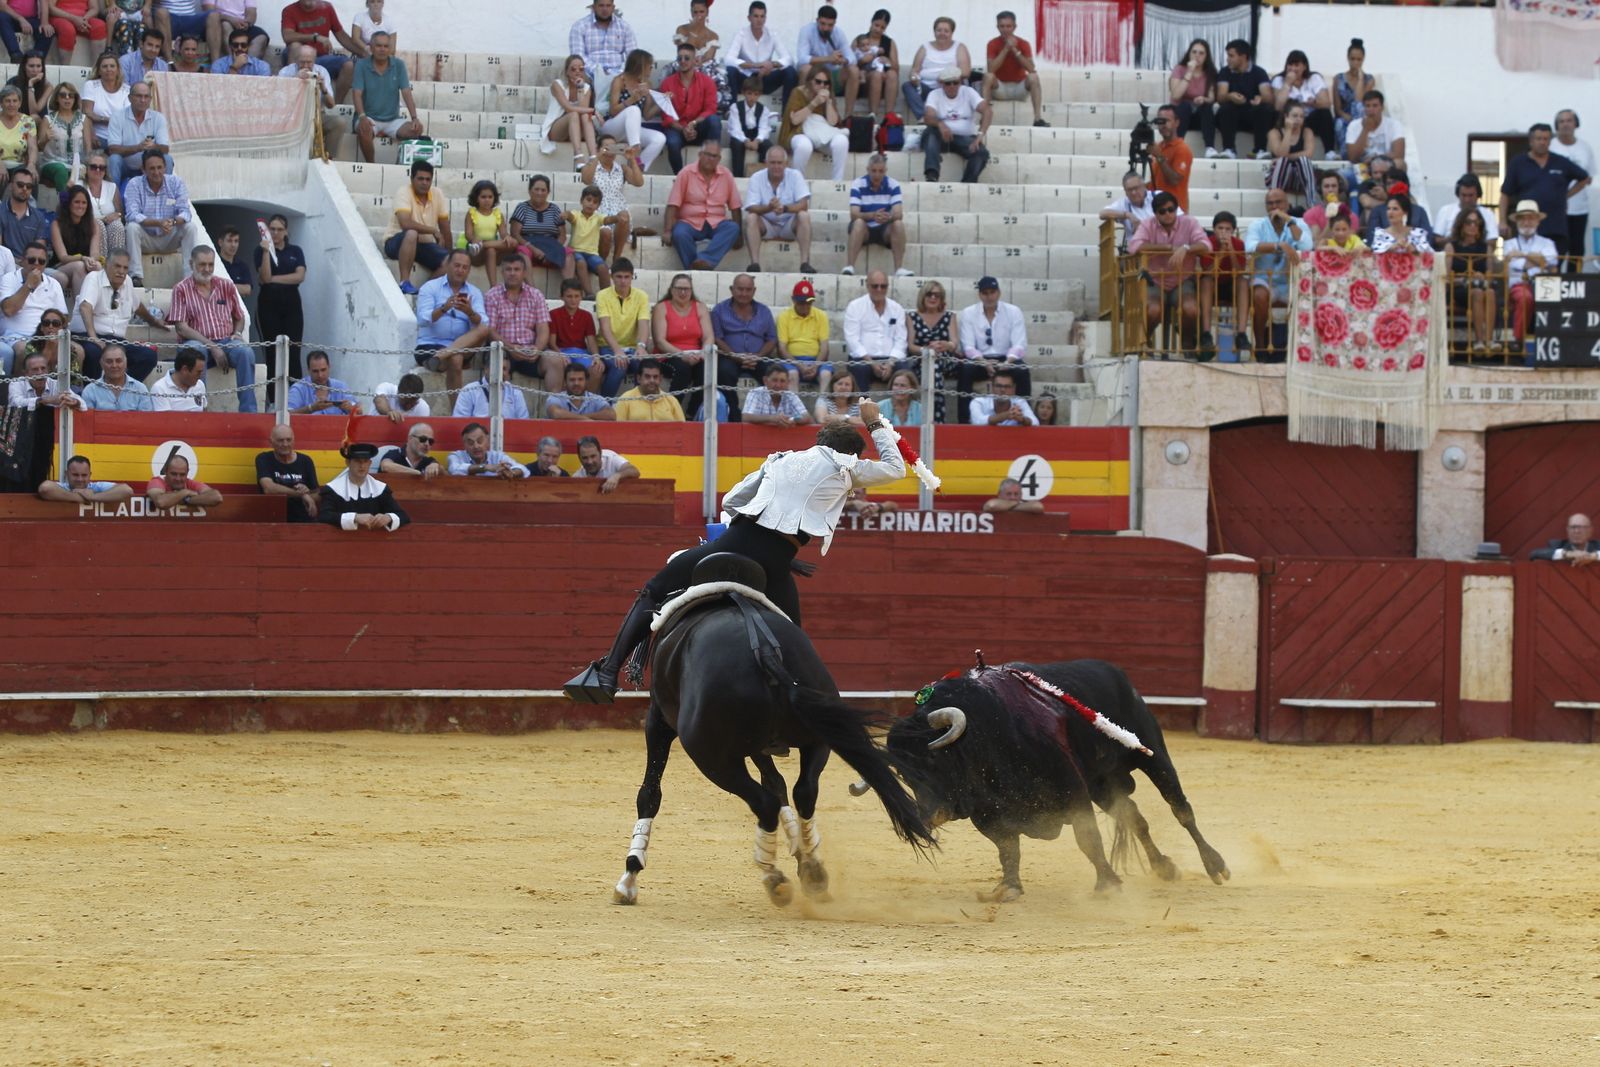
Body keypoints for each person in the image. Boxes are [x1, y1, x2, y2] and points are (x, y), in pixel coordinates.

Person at [567, 396, 908, 702]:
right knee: (794, 644)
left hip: (735, 540)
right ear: (853, 454)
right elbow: (895, 467)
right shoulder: (846, 466)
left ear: (818, 441)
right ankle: (794, 711)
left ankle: (609, 672)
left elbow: (732, 500)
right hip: (776, 561)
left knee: (654, 591)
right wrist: (875, 421)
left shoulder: (779, 459)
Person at [168, 244, 255, 410]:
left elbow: (240, 316)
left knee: (245, 352)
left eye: (211, 264)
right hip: (195, 343)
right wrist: (212, 346)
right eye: (202, 264)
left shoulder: (226, 285)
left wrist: (237, 332)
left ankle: (248, 411)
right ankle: (200, 408)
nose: (207, 269)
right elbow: (181, 328)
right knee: (196, 351)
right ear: (191, 263)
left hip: (226, 341)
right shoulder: (181, 289)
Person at [1128, 191, 1211, 354]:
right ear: (1155, 214)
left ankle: (1187, 341)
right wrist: (1167, 248)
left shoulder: (1189, 222)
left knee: (1191, 309)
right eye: (1162, 211)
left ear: (1176, 208)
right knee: (1152, 310)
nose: (1167, 214)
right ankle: (1146, 339)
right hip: (1154, 281)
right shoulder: (1147, 224)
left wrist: (1186, 248)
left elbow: (1206, 245)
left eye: (1171, 209)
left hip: (1182, 280)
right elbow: (1134, 247)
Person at [1499, 122, 1590, 261]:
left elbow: (1585, 179)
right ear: (1531, 141)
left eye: (1546, 139)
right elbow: (1505, 193)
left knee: (1553, 268)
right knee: (1524, 266)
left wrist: (1565, 195)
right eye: (1539, 138)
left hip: (1556, 227)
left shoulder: (1561, 162)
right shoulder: (1518, 163)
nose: (1542, 142)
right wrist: (1502, 221)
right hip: (1527, 228)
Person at [1244, 187, 1313, 359]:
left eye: (1278, 202)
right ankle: (1260, 346)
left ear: (1287, 204)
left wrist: (1289, 221)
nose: (1274, 207)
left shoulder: (1299, 223)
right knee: (1259, 296)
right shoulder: (1257, 225)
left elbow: (1307, 247)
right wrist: (1278, 246)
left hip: (1291, 282)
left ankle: (1297, 350)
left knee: (1308, 297)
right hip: (1264, 280)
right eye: (1270, 203)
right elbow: (1250, 247)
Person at [76, 249, 162, 384]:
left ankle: (121, 390)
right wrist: (93, 337)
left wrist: (154, 321)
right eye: (117, 266)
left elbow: (137, 306)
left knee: (148, 356)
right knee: (93, 352)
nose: (121, 271)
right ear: (106, 266)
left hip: (116, 341)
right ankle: (92, 395)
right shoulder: (94, 277)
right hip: (87, 336)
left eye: (125, 267)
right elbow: (85, 306)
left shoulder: (127, 281)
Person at [413, 248, 489, 401]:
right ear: (447, 265)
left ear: (469, 270)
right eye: (457, 265)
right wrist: (443, 308)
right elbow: (423, 319)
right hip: (430, 345)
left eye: (464, 267)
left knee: (484, 327)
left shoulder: (474, 292)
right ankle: (457, 414)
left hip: (457, 348)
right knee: (456, 358)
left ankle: (442, 355)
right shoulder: (430, 287)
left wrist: (470, 312)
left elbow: (482, 322)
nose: (460, 270)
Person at [956, 276, 1032, 422]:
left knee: (1022, 370)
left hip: (1007, 358)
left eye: (992, 292)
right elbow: (968, 346)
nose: (989, 296)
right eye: (985, 293)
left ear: (998, 293)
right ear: (979, 295)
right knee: (965, 370)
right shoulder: (969, 313)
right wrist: (983, 362)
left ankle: (1023, 417)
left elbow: (1019, 344)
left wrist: (1008, 362)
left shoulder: (1013, 311)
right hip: (980, 359)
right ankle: (964, 422)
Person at [664, 140, 742, 271]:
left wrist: (739, 236)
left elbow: (735, 206)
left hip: (716, 223)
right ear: (700, 155)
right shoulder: (686, 173)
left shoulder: (726, 175)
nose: (710, 159)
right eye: (707, 155)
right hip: (689, 222)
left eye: (714, 156)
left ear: (719, 159)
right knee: (679, 234)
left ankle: (704, 260)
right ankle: (696, 267)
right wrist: (667, 231)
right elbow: (673, 204)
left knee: (733, 228)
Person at [486, 253, 557, 392]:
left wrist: (538, 348)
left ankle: (555, 406)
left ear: (524, 272)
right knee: (498, 365)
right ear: (502, 272)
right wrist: (511, 348)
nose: (512, 273)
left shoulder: (536, 295)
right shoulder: (492, 295)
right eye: (508, 269)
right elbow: (490, 330)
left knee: (555, 361)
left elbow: (543, 328)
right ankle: (498, 411)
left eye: (517, 269)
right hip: (503, 350)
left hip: (531, 351)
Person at [710, 271, 776, 419]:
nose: (744, 293)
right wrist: (735, 356)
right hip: (729, 356)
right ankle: (733, 414)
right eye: (740, 289)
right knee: (724, 372)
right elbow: (717, 338)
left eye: (748, 290)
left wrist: (757, 357)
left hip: (758, 358)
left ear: (754, 291)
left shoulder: (764, 311)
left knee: (774, 373)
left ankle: (770, 413)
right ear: (731, 289)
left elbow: (771, 339)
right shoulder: (719, 310)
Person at [351, 30, 421, 164]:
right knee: (363, 129)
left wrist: (414, 118)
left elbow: (406, 92)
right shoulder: (361, 65)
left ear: (390, 48)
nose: (382, 49)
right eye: (378, 46)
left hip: (392, 120)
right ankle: (371, 165)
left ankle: (398, 165)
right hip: (369, 117)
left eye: (386, 46)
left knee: (417, 129)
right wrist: (362, 117)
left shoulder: (399, 65)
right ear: (371, 47)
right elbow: (357, 93)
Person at [743, 145, 814, 274]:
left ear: (786, 164)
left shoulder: (795, 175)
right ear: (766, 163)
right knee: (751, 217)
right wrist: (768, 208)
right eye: (772, 163)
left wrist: (785, 208)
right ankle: (754, 263)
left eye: (779, 163)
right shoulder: (756, 177)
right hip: (766, 224)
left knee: (804, 216)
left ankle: (805, 263)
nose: (776, 166)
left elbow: (804, 205)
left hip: (789, 224)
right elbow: (751, 207)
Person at [123, 151, 188, 286]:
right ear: (143, 169)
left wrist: (173, 221)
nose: (156, 172)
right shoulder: (134, 184)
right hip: (146, 238)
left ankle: (190, 276)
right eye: (152, 168)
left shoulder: (176, 182)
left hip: (169, 235)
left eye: (159, 167)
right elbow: (131, 214)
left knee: (190, 227)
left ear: (165, 167)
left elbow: (185, 212)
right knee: (131, 227)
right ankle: (136, 276)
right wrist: (158, 223)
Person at [255, 212, 305, 387]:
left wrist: (274, 279)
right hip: (269, 304)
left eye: (279, 229)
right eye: (272, 229)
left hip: (292, 304)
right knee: (272, 352)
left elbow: (299, 276)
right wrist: (266, 251)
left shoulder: (295, 251)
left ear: (286, 231)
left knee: (294, 351)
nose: (275, 233)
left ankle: (295, 394)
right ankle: (273, 398)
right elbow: (265, 276)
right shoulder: (260, 251)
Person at [385, 159, 449, 295]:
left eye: (428, 179)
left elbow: (445, 228)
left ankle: (426, 290)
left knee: (452, 260)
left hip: (423, 245)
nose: (424, 183)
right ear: (412, 179)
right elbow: (405, 224)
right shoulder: (403, 192)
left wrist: (450, 252)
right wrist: (433, 231)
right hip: (396, 242)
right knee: (411, 233)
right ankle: (404, 282)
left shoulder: (437, 194)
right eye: (420, 179)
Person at [280, 0, 364, 103]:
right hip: (299, 60)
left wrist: (363, 53)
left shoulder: (327, 8)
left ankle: (335, 106)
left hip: (321, 58)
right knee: (294, 45)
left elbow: (341, 35)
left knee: (348, 65)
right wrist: (315, 37)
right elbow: (287, 36)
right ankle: (294, 101)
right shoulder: (289, 10)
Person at [0, 238, 64, 372]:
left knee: (78, 351)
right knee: (25, 350)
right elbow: (8, 310)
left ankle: (69, 391)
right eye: (31, 260)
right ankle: (19, 390)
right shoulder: (10, 278)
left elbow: (63, 317)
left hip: (46, 333)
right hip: (16, 336)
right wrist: (28, 285)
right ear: (22, 261)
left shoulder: (53, 283)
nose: (36, 265)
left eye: (41, 261)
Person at [658, 42, 721, 176]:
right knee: (673, 143)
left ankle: (710, 171)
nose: (683, 61)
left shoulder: (707, 82)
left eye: (687, 58)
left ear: (695, 61)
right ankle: (681, 178)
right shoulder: (667, 83)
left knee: (714, 121)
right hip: (677, 128)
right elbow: (666, 116)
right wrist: (683, 128)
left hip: (698, 127)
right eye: (679, 58)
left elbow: (711, 109)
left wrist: (693, 124)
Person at [1504, 200, 1559, 352]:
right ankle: (1518, 340)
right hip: (1519, 284)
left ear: (1537, 221)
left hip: (1544, 284)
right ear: (1517, 222)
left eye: (1531, 218)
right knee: (1524, 296)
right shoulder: (1509, 243)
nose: (1527, 222)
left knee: (1556, 298)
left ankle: (1551, 344)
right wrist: (1537, 260)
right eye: (1523, 218)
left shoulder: (1547, 242)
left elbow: (1550, 261)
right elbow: (1516, 264)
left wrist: (1522, 254)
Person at [599, 48, 665, 173]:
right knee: (633, 109)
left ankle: (637, 169)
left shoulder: (647, 84)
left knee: (660, 138)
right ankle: (635, 149)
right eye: (649, 66)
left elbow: (647, 115)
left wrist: (663, 101)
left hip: (631, 131)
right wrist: (632, 99)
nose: (652, 69)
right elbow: (613, 111)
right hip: (613, 127)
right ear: (641, 66)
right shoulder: (620, 80)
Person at [651, 270, 713, 402]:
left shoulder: (700, 307)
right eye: (679, 289)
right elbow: (660, 341)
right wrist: (682, 355)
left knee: (706, 370)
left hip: (696, 355)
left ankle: (693, 413)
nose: (683, 292)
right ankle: (674, 410)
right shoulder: (661, 308)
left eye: (686, 289)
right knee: (683, 369)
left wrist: (702, 353)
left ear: (691, 290)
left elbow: (708, 336)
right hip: (668, 355)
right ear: (671, 290)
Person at [778, 66, 848, 182]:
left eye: (826, 83)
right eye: (818, 82)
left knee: (842, 140)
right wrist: (814, 103)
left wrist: (828, 103)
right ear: (810, 81)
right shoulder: (798, 92)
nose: (822, 86)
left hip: (822, 135)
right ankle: (797, 182)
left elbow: (833, 122)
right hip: (799, 131)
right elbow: (795, 120)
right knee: (804, 146)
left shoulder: (828, 94)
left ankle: (837, 181)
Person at [581, 134, 643, 265]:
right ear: (598, 148)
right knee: (605, 232)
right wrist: (598, 157)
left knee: (624, 216)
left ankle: (616, 260)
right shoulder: (592, 166)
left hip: (618, 213)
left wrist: (632, 159)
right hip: (598, 214)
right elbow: (586, 179)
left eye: (613, 148)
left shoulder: (622, 168)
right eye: (606, 148)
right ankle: (600, 264)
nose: (610, 151)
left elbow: (639, 182)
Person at [922, 66, 990, 185]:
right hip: (941, 137)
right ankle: (932, 174)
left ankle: (967, 183)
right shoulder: (934, 94)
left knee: (981, 153)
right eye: (948, 83)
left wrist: (980, 135)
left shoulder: (968, 92)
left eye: (955, 82)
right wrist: (940, 124)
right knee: (931, 132)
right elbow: (928, 117)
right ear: (942, 83)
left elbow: (987, 111)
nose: (952, 86)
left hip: (964, 138)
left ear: (960, 82)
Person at [317, 442, 407, 532]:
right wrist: (355, 517)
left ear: (370, 463)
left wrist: (388, 517)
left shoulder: (380, 489)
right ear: (348, 462)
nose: (362, 466)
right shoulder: (333, 489)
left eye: (365, 461)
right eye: (357, 461)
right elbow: (324, 516)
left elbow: (403, 515)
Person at [843, 268, 906, 394]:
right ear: (867, 286)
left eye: (883, 286)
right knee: (859, 369)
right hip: (863, 358)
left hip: (891, 359)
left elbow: (901, 340)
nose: (879, 290)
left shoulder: (896, 308)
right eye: (875, 286)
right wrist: (871, 363)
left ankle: (905, 412)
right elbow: (852, 340)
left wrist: (891, 363)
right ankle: (863, 413)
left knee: (906, 373)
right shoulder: (855, 306)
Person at [845, 153, 909, 277]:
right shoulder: (858, 183)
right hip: (864, 228)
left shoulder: (893, 184)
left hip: (884, 228)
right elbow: (853, 214)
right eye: (874, 171)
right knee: (858, 223)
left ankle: (899, 269)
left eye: (880, 171)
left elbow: (898, 213)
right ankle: (850, 266)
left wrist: (888, 217)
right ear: (868, 170)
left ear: (885, 171)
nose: (877, 175)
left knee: (898, 224)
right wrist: (872, 215)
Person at [594, 257, 650, 397]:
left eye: (627, 277)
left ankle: (641, 403)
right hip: (607, 346)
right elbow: (605, 327)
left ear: (632, 277)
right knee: (619, 365)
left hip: (632, 346)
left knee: (644, 366)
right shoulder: (602, 295)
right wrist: (617, 350)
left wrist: (641, 346)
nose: (623, 281)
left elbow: (644, 323)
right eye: (619, 277)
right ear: (612, 277)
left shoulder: (642, 296)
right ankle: (606, 404)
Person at [725, 1, 796, 112]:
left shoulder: (772, 34)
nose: (759, 20)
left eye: (762, 16)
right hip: (746, 78)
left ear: (765, 18)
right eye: (756, 16)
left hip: (764, 78)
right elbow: (729, 59)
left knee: (790, 72)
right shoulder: (741, 34)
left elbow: (789, 59)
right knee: (730, 70)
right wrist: (756, 65)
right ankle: (731, 112)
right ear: (749, 18)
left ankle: (786, 114)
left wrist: (771, 65)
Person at [1198, 211, 1248, 358]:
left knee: (1243, 282)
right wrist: (1220, 253)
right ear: (1214, 229)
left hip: (1230, 285)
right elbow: (1208, 272)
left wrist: (1231, 250)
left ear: (1233, 231)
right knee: (1206, 281)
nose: (1223, 232)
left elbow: (1238, 271)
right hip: (1212, 284)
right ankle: (1206, 333)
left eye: (1227, 229)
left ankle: (1242, 334)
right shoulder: (1208, 243)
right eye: (1220, 228)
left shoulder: (1239, 244)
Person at [568, 0, 637, 106]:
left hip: (619, 74)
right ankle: (589, 115)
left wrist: (619, 73)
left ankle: (617, 114)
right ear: (594, 7)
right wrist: (598, 72)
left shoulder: (625, 27)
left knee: (635, 77)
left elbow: (632, 57)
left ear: (613, 7)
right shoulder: (579, 26)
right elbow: (578, 56)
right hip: (590, 74)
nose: (605, 9)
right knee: (580, 78)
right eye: (601, 5)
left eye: (608, 6)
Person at [906, 278, 957, 422]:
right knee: (931, 366)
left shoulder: (949, 316)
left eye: (937, 295)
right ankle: (936, 419)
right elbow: (911, 346)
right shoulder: (912, 317)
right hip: (921, 358)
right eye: (929, 294)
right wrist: (926, 350)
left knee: (935, 366)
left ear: (942, 299)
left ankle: (929, 419)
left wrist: (945, 345)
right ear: (923, 296)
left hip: (945, 358)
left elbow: (954, 343)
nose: (933, 297)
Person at [983, 10, 1044, 128]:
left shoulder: (1023, 43)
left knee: (1033, 77)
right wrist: (1006, 49)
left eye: (1008, 26)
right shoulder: (992, 44)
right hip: (1000, 88)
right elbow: (991, 69)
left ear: (1014, 27)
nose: (1005, 29)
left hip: (1019, 88)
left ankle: (1038, 118)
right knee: (987, 76)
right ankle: (984, 117)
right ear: (997, 27)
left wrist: (1015, 50)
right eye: (1002, 26)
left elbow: (1031, 68)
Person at [1270, 50, 1335, 160]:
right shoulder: (1279, 80)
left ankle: (1329, 152)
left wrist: (1313, 103)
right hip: (1288, 121)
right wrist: (1287, 84)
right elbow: (1278, 106)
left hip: (1308, 118)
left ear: (1304, 66)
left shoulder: (1314, 78)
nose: (1293, 69)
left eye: (1297, 65)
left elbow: (1326, 103)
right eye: (1290, 65)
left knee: (1324, 114)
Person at [797, 3, 860, 117]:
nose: (826, 28)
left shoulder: (839, 33)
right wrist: (828, 59)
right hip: (813, 77)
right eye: (822, 24)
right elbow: (802, 58)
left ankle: (848, 116)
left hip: (833, 76)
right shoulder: (806, 30)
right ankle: (804, 113)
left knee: (854, 70)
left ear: (834, 23)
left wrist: (842, 60)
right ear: (817, 20)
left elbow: (852, 58)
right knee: (805, 69)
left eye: (830, 25)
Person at [1446, 208, 1494, 355]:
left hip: (1480, 286)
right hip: (1458, 288)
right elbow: (1446, 277)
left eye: (1476, 222)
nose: (1473, 226)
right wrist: (1465, 278)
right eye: (1468, 222)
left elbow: (1490, 275)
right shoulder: (1451, 246)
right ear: (1461, 224)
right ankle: (1480, 341)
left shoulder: (1486, 248)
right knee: (1478, 293)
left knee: (1490, 292)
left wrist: (1482, 277)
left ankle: (1489, 340)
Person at [510, 174, 575, 282]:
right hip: (528, 244)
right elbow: (515, 234)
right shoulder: (522, 208)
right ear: (530, 191)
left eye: (543, 190)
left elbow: (562, 235)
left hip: (551, 245)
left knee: (569, 254)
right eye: (536, 189)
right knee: (522, 253)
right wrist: (533, 249)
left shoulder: (554, 209)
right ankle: (532, 291)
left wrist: (552, 252)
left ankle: (569, 288)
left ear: (548, 192)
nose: (540, 193)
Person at [901, 15, 967, 121]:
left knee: (959, 87)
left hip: (947, 87)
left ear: (952, 33)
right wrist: (914, 78)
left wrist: (946, 77)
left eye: (946, 31)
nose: (942, 33)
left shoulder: (959, 47)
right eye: (939, 30)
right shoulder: (924, 47)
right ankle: (923, 118)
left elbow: (965, 72)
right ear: (934, 32)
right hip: (925, 88)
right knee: (907, 86)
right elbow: (914, 69)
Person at [104, 80, 168, 184]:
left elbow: (165, 149)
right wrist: (138, 148)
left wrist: (154, 147)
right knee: (114, 159)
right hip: (125, 166)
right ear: (130, 98)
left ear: (150, 99)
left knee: (167, 159)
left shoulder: (158, 118)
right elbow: (112, 149)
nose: (143, 100)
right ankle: (113, 197)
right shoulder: (117, 116)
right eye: (139, 96)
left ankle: (164, 196)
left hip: (149, 168)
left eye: (146, 96)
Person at [548, 277, 603, 393]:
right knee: (560, 366)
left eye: (577, 296)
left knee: (596, 369)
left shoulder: (586, 316)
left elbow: (591, 341)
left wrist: (596, 356)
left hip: (580, 352)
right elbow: (552, 342)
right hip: (561, 351)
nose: (573, 300)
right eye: (569, 296)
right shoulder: (553, 314)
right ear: (562, 297)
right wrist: (560, 354)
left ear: (581, 297)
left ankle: (586, 400)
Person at [1554, 109, 1595, 265]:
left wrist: (1568, 194)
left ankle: (1574, 281)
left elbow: (1588, 178)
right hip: (1556, 210)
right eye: (1561, 121)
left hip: (1579, 209)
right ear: (1557, 125)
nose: (1565, 125)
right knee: (1557, 251)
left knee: (1576, 250)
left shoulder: (1585, 148)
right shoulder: (1551, 147)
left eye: (1569, 120)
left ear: (1575, 124)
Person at [542, 54, 598, 168]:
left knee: (584, 116)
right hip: (557, 129)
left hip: (577, 130)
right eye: (573, 69)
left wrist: (580, 89)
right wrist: (594, 111)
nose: (577, 72)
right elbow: (568, 108)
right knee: (573, 114)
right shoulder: (557, 84)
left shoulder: (586, 87)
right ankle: (578, 156)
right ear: (567, 72)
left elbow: (583, 110)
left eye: (581, 69)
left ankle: (594, 157)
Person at [256, 422, 319, 522]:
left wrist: (307, 491)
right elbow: (268, 489)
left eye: (288, 440)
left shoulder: (305, 461)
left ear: (294, 441)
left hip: (302, 520)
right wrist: (301, 494)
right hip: (273, 520)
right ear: (271, 442)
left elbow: (316, 493)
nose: (285, 444)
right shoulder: (264, 458)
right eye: (280, 440)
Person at [49, 184, 101, 304]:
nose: (81, 206)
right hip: (61, 265)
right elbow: (63, 257)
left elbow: (95, 252)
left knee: (97, 266)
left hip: (83, 262)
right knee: (79, 266)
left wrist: (91, 260)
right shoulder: (57, 224)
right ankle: (80, 309)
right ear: (69, 204)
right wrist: (83, 258)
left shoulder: (93, 224)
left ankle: (98, 309)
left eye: (84, 203)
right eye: (77, 202)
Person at [673, 0, 727, 116]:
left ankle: (711, 109)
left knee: (711, 72)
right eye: (695, 12)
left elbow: (710, 57)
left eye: (702, 12)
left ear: (707, 12)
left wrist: (700, 61)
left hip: (703, 66)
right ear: (691, 13)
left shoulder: (713, 35)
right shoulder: (681, 29)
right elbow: (683, 50)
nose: (699, 15)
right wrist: (693, 32)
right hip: (685, 63)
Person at [36, 83, 91, 194]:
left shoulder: (83, 119)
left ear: (75, 99)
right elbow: (39, 146)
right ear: (56, 98)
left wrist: (89, 164)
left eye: (71, 95)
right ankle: (64, 203)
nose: (67, 98)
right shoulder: (48, 119)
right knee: (61, 169)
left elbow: (88, 147)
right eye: (63, 95)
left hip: (76, 164)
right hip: (52, 162)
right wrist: (46, 139)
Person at [777, 278, 829, 393]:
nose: (805, 305)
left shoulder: (821, 316)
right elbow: (782, 348)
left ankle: (822, 407)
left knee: (826, 374)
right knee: (792, 374)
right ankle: (794, 408)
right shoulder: (784, 317)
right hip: (792, 360)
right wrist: (800, 365)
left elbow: (824, 347)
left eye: (809, 302)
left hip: (816, 360)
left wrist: (815, 366)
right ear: (793, 300)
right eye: (801, 302)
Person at [462, 179, 516, 284]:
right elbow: (468, 235)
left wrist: (507, 237)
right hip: (475, 249)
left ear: (494, 198)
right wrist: (475, 240)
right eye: (483, 197)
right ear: (476, 198)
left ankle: (485, 244)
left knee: (513, 243)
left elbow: (503, 233)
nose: (487, 200)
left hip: (491, 247)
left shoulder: (497, 214)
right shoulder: (472, 213)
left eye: (490, 197)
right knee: (490, 250)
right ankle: (493, 286)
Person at [851, 8, 898, 123]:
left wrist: (887, 61)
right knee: (876, 75)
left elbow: (896, 68)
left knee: (892, 74)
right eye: (876, 25)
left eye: (882, 27)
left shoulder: (889, 42)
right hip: (863, 80)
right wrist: (863, 61)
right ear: (871, 23)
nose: (878, 29)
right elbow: (850, 62)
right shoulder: (860, 39)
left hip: (884, 82)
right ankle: (873, 115)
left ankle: (889, 116)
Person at [563, 183, 611, 295]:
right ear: (581, 201)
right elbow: (570, 216)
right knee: (581, 263)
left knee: (603, 268)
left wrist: (617, 218)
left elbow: (607, 220)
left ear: (598, 206)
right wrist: (566, 214)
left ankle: (608, 296)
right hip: (575, 251)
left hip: (592, 254)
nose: (591, 204)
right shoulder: (577, 214)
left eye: (595, 202)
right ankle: (589, 293)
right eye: (588, 200)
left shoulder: (598, 217)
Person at [451, 355, 530, 420]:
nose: (500, 372)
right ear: (486, 369)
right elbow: (460, 421)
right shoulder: (469, 390)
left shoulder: (515, 392)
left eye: (504, 369)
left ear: (508, 374)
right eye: (496, 367)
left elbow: (524, 422)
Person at [727, 74, 775, 181]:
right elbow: (735, 128)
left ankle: (763, 175)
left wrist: (757, 141)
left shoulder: (763, 110)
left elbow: (764, 128)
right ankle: (738, 176)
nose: (752, 97)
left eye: (755, 94)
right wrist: (745, 140)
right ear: (743, 92)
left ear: (759, 95)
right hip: (741, 137)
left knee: (768, 145)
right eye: (749, 93)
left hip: (755, 137)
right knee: (737, 144)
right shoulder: (736, 107)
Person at [1331, 38, 1372, 158]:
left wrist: (1360, 79)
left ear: (1363, 59)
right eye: (1352, 59)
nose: (1355, 63)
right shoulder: (1338, 78)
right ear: (1348, 58)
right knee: (1339, 123)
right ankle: (1346, 155)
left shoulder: (1368, 79)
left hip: (1361, 117)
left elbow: (1360, 101)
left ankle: (1358, 153)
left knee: (1359, 111)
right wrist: (1348, 117)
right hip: (1345, 117)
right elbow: (1337, 109)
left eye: (1359, 59)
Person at [1344, 89, 1405, 171]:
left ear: (1382, 107)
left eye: (1375, 105)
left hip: (1385, 166)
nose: (1371, 109)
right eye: (1367, 106)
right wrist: (1365, 130)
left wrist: (1375, 159)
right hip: (1363, 167)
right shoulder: (1354, 125)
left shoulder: (1394, 124)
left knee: (1400, 164)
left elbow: (1399, 154)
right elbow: (1353, 157)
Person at [1168, 37, 1216, 141]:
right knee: (1185, 105)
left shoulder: (1210, 72)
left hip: (1199, 117)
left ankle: (1210, 148)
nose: (1197, 56)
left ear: (1206, 56)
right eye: (1194, 52)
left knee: (1206, 107)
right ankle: (1177, 144)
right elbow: (1175, 95)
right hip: (1179, 116)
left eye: (1201, 53)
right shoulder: (1179, 69)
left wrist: (1204, 99)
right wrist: (1189, 72)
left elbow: (1211, 98)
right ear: (1189, 54)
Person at [1098, 171, 1163, 248]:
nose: (1133, 193)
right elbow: (1102, 214)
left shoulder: (1158, 196)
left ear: (1144, 186)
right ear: (1125, 191)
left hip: (1162, 245)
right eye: (1129, 190)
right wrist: (1127, 215)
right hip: (1138, 253)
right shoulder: (1124, 203)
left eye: (1136, 188)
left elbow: (1179, 217)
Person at [1433, 174, 1498, 246]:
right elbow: (1437, 240)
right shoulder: (1445, 211)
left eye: (1471, 195)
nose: (1467, 200)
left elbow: (1492, 242)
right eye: (1463, 195)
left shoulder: (1488, 214)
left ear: (1478, 194)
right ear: (1458, 194)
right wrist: (1457, 238)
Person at [38, 455, 133, 505]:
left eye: (84, 475)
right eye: (75, 475)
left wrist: (92, 498)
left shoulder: (96, 487)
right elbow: (45, 489)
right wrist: (80, 498)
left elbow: (127, 490)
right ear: (66, 474)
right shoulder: (62, 487)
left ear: (90, 475)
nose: (80, 479)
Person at [81, 51, 129, 150]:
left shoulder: (127, 90)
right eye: (104, 66)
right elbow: (86, 113)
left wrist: (99, 118)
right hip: (97, 135)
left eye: (112, 66)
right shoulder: (91, 85)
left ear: (118, 70)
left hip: (120, 138)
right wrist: (107, 120)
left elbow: (126, 119)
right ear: (99, 70)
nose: (109, 69)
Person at [81, 344, 152, 409]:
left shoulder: (140, 389)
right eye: (109, 361)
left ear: (126, 362)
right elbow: (87, 421)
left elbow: (146, 421)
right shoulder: (90, 391)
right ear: (101, 363)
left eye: (118, 361)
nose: (114, 365)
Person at [1149, 103, 1192, 212]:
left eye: (1167, 121)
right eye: (1160, 121)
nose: (1163, 125)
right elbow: (1156, 181)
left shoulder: (1182, 149)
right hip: (1159, 209)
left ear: (1177, 123)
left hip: (1176, 211)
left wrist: (1159, 156)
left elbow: (1175, 180)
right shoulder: (1158, 146)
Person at [614, 357, 685, 421]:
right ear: (639, 378)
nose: (652, 380)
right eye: (647, 376)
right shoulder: (625, 399)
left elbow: (683, 429)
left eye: (655, 377)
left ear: (660, 379)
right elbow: (617, 430)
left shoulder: (671, 401)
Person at [448, 421, 528, 478]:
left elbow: (523, 469)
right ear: (464, 444)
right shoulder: (456, 456)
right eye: (470, 443)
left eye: (480, 441)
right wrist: (485, 467)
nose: (476, 446)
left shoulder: (498, 456)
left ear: (488, 441)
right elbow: (454, 469)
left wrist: (511, 473)